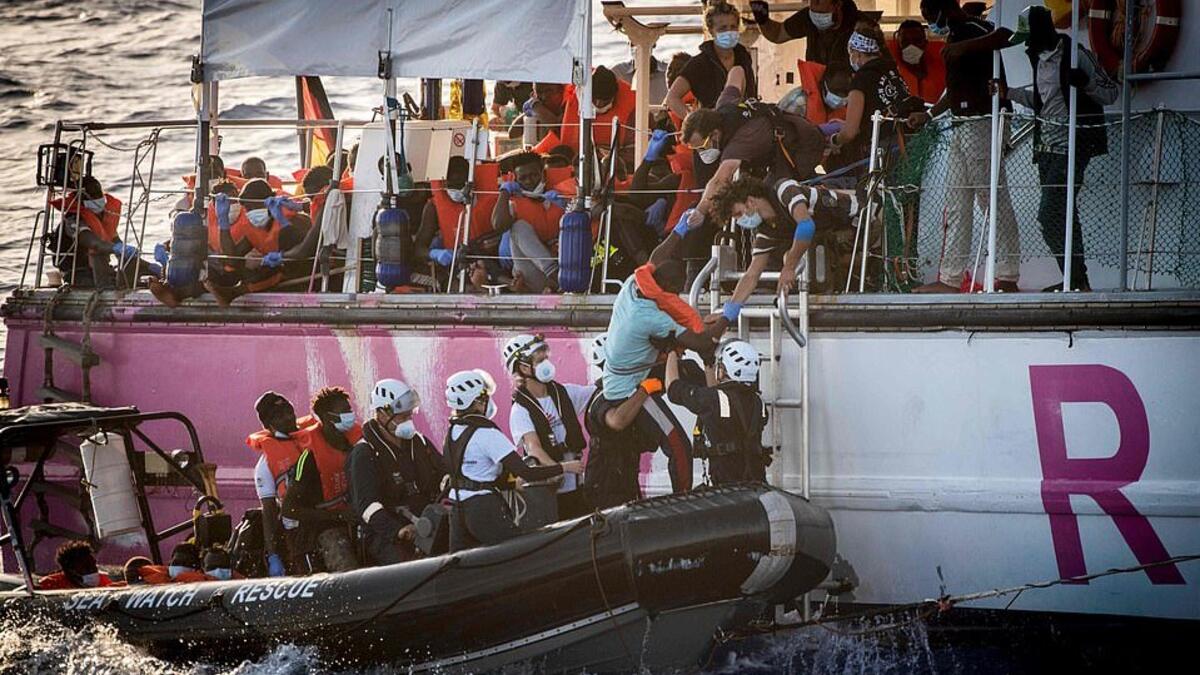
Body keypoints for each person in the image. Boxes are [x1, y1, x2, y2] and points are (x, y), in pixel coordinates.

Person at [591, 219, 733, 498]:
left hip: (640, 369)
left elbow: (658, 257)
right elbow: (702, 340)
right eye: (677, 289)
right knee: (677, 444)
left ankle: (714, 420)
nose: (678, 295)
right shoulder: (648, 317)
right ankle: (681, 499)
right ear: (666, 286)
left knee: (690, 370)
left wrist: (680, 230)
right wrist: (730, 312)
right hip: (629, 387)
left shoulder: (634, 283)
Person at [910, 0, 1021, 293]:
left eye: (929, 13)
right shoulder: (954, 36)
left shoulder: (972, 29)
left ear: (946, 8)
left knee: (991, 198)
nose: (929, 20)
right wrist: (930, 113)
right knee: (958, 202)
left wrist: (963, 48)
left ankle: (1008, 273)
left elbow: (1006, 35)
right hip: (962, 123)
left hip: (982, 122)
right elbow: (954, 89)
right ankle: (950, 278)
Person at [1007, 5, 1117, 292]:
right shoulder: (1038, 59)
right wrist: (1007, 93)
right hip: (1046, 148)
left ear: (1043, 32)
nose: (1027, 46)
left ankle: (1076, 278)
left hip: (1073, 145)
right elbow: (1043, 102)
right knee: (1063, 214)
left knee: (1050, 212)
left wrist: (1085, 84)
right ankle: (1075, 279)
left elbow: (1111, 92)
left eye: (1029, 39)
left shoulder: (1075, 55)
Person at [679, 66, 825, 260]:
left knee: (776, 198)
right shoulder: (725, 106)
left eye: (703, 146)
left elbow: (720, 179)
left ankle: (791, 251)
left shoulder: (740, 142)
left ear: (714, 134)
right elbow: (738, 71)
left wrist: (700, 211)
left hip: (800, 147)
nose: (702, 153)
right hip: (773, 145)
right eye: (696, 150)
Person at [444, 369, 583, 552]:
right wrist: (564, 467)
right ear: (478, 401)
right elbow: (526, 472)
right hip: (482, 509)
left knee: (461, 568)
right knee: (516, 554)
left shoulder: (452, 432)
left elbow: (472, 473)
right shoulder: (487, 434)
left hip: (457, 507)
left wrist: (510, 483)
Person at [349, 379, 446, 565]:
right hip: (387, 535)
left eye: (409, 415)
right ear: (382, 414)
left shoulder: (418, 442)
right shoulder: (364, 453)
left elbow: (442, 472)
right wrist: (397, 530)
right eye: (402, 416)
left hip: (428, 523)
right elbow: (367, 506)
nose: (408, 421)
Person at [503, 334, 596, 520]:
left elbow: (597, 392)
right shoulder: (520, 410)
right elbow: (533, 447)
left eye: (546, 358)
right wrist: (560, 469)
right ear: (523, 367)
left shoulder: (565, 393)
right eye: (540, 360)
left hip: (578, 485)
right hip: (549, 493)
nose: (546, 363)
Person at [281, 387, 362, 574]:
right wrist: (337, 516)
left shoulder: (356, 447)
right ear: (327, 417)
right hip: (322, 528)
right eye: (344, 411)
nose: (350, 415)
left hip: (356, 520)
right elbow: (289, 509)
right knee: (344, 562)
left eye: (350, 410)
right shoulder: (309, 458)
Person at [826, 20, 925, 173]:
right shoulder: (893, 72)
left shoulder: (861, 79)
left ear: (857, 53)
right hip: (910, 148)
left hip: (883, 157)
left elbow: (851, 132)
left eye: (851, 53)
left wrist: (834, 140)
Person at [666, 341, 769, 485]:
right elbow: (718, 394)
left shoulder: (713, 399)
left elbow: (673, 389)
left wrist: (671, 352)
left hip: (725, 486)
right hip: (755, 482)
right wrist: (708, 361)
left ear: (725, 370)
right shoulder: (759, 403)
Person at [48, 175, 154, 290]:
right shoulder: (73, 220)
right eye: (94, 196)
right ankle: (107, 289)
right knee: (99, 251)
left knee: (129, 258)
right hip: (78, 274)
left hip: (102, 270)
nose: (98, 199)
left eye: (99, 195)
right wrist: (117, 248)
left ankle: (156, 273)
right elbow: (95, 244)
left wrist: (149, 266)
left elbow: (117, 244)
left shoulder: (101, 216)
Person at [491, 151, 571, 293]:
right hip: (534, 276)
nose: (529, 182)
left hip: (566, 268)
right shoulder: (513, 204)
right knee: (518, 227)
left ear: (543, 175)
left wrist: (566, 207)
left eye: (534, 175)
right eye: (523, 178)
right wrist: (504, 192)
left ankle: (556, 280)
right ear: (516, 181)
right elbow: (497, 225)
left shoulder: (560, 198)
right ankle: (554, 273)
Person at [246, 391, 306, 576]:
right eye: (280, 416)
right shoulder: (265, 465)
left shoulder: (313, 441)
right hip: (296, 533)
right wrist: (273, 555)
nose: (289, 417)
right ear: (269, 425)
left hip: (326, 520)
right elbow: (269, 512)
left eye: (290, 411)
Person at [665, 1, 758, 121]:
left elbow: (752, 95)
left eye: (733, 27)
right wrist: (695, 121)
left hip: (744, 123)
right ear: (711, 31)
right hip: (714, 126)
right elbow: (672, 98)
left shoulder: (743, 57)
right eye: (723, 28)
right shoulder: (700, 63)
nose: (729, 32)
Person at [751, 0, 861, 72]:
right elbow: (778, 34)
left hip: (850, 92)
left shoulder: (861, 26)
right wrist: (762, 20)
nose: (816, 15)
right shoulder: (807, 17)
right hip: (816, 89)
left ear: (837, 4)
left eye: (822, 13)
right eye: (812, 3)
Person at [558, 66, 637, 161]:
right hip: (575, 160)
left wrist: (612, 155)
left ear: (614, 96)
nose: (599, 104)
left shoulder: (632, 104)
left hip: (613, 161)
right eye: (595, 99)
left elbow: (635, 149)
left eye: (605, 101)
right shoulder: (573, 91)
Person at [886, 20, 947, 105]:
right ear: (898, 43)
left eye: (917, 41)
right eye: (905, 42)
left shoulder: (941, 64)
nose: (911, 46)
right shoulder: (889, 68)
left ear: (925, 43)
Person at [36, 540, 113, 590]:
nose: (93, 570)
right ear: (71, 570)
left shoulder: (104, 581)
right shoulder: (50, 584)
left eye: (94, 565)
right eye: (86, 567)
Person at [139, 541, 211, 584]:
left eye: (185, 563)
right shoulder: (149, 583)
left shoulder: (204, 583)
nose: (179, 566)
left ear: (196, 568)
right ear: (170, 564)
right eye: (175, 563)